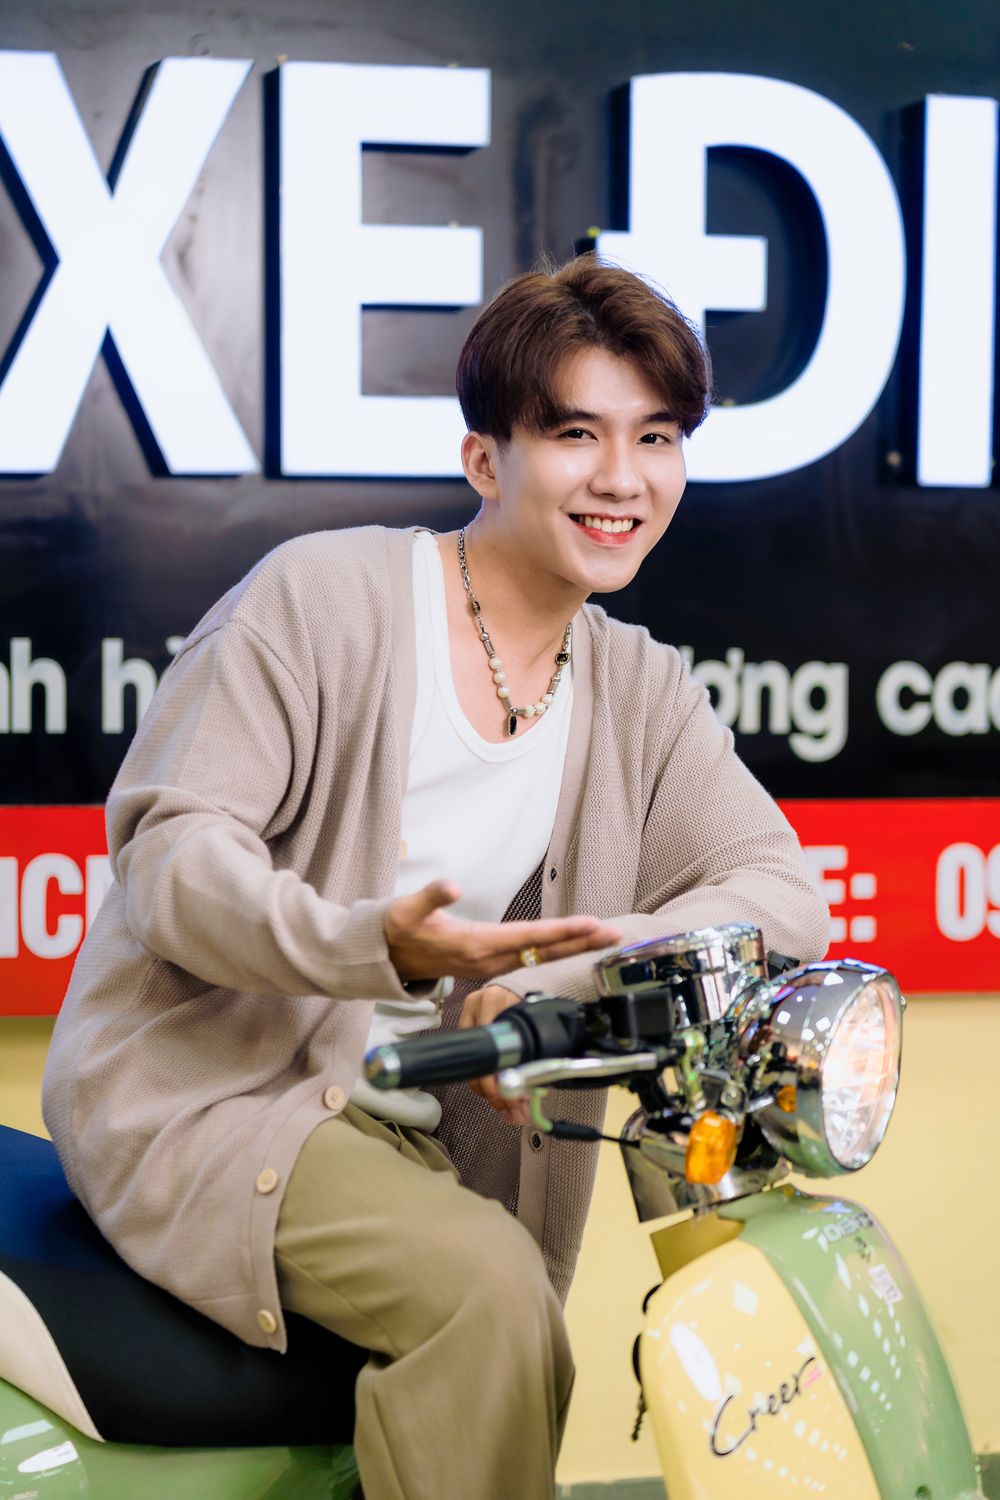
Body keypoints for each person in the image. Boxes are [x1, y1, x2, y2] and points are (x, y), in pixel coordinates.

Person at [42, 254, 829, 1500]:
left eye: (656, 437)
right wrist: (370, 945)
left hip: (408, 1121)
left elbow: (779, 890)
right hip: (216, 1099)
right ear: (484, 460)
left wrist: (579, 971)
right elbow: (168, 851)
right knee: (490, 1298)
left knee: (549, 1329)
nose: (622, 478)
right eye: (574, 433)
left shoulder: (638, 687)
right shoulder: (323, 601)